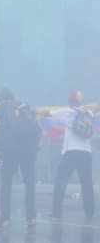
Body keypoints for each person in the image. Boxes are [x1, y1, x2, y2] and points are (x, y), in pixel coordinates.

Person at [0, 87, 41, 228]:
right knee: (29, 182)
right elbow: (37, 128)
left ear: (0, 98)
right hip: (28, 148)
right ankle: (31, 217)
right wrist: (34, 147)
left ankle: (4, 218)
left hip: (10, 149)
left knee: (6, 183)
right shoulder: (25, 105)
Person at [48, 90, 96, 221]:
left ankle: (57, 211)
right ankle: (89, 212)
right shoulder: (87, 113)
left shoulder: (64, 112)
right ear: (80, 101)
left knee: (60, 181)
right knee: (86, 182)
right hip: (86, 152)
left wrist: (34, 111)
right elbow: (95, 109)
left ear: (69, 101)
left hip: (71, 152)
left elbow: (47, 113)